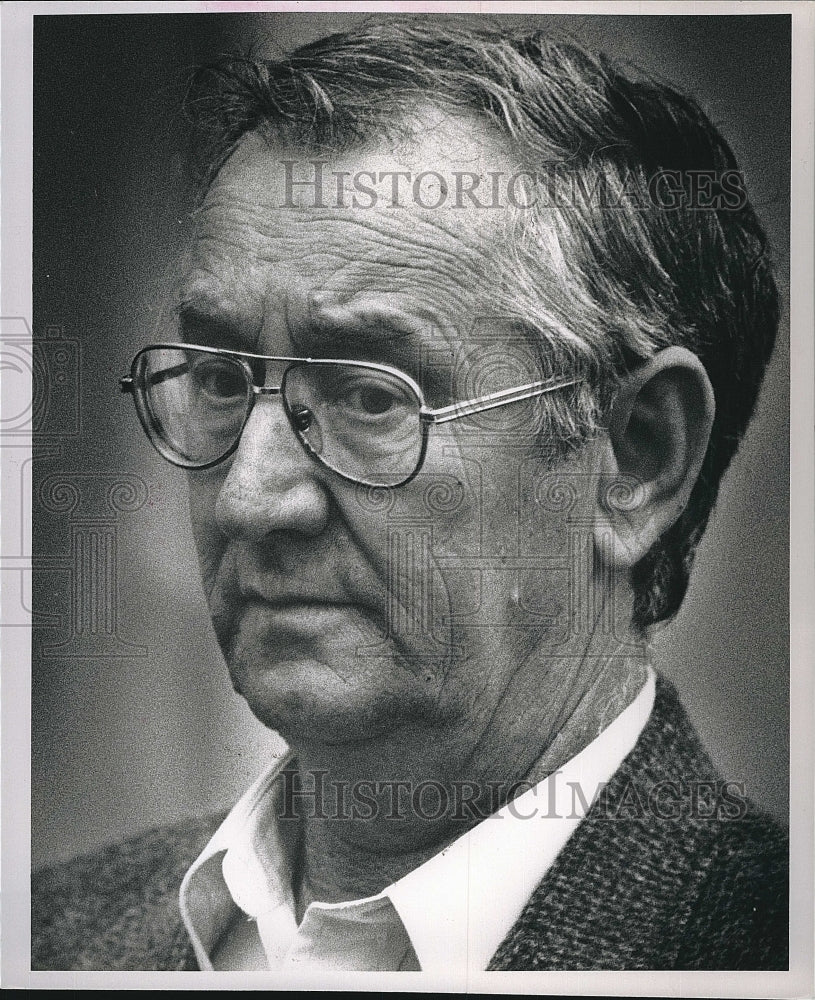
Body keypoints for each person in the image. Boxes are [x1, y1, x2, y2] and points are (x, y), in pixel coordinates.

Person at [31, 22, 787, 972]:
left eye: (368, 397)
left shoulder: (759, 945)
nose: (249, 501)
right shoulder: (49, 935)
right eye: (222, 380)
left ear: (638, 457)